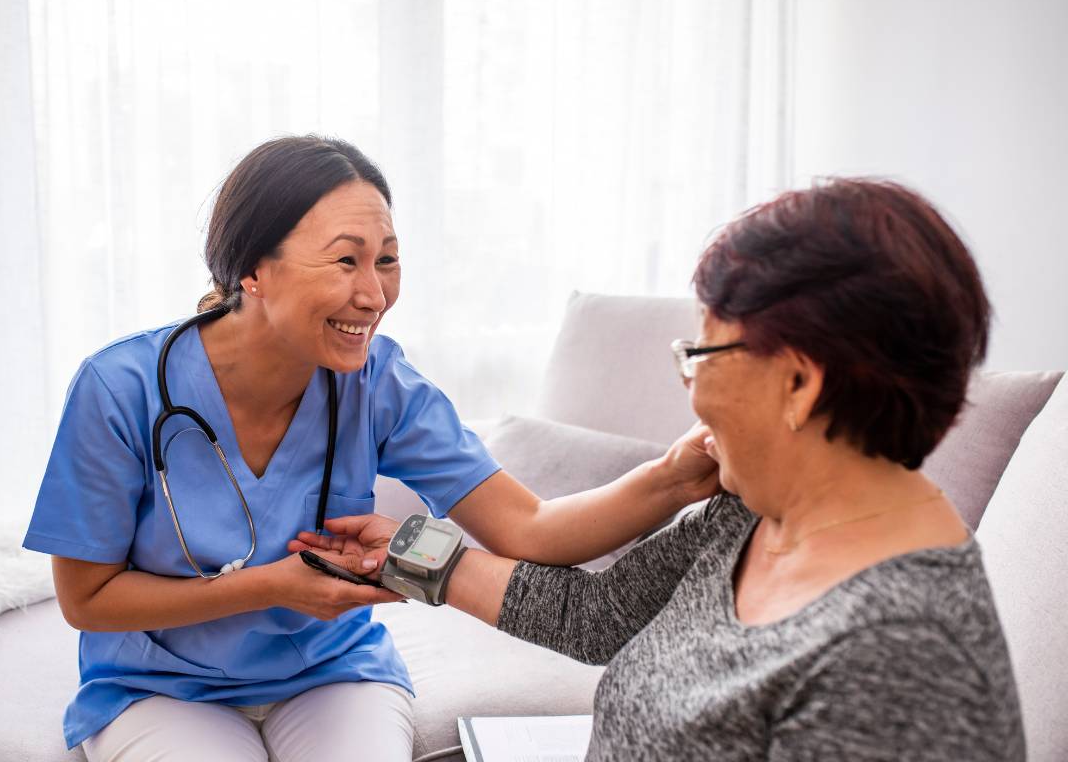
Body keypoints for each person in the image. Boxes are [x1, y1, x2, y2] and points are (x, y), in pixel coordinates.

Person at [22, 135, 714, 761]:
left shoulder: (380, 383)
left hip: (333, 674)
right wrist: (269, 586)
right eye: (345, 261)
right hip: (159, 687)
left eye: (387, 260)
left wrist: (673, 478)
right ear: (253, 270)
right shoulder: (121, 389)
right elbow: (87, 598)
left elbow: (527, 528)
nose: (375, 293)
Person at [300, 178, 1026, 760]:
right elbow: (596, 617)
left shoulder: (901, 658)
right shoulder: (755, 514)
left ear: (799, 385)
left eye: (702, 354)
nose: (691, 385)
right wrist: (400, 553)